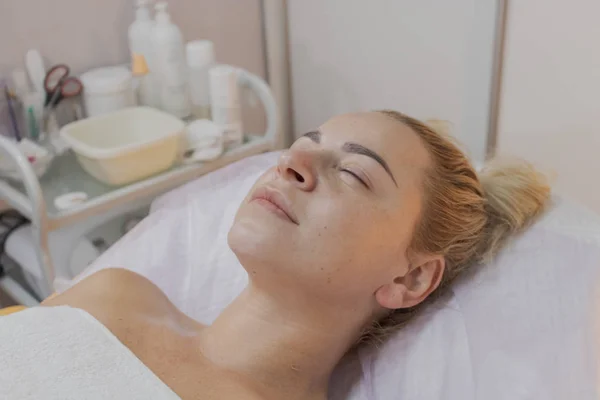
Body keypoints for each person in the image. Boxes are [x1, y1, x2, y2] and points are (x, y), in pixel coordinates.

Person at [42, 110, 550, 399]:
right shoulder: (116, 295)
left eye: (352, 173)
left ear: (412, 278)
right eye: (303, 143)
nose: (291, 161)